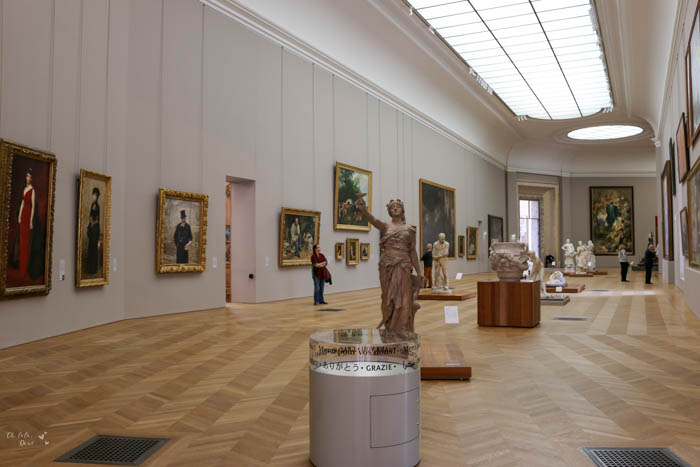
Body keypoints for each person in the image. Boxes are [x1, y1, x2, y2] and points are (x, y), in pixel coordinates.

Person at [356, 197, 423, 334]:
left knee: (404, 297)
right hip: (387, 265)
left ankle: (402, 328)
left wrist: (419, 272)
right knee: (387, 297)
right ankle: (389, 326)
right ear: (389, 211)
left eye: (398, 206)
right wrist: (363, 210)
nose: (395, 208)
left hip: (403, 265)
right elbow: (373, 220)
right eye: (392, 207)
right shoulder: (386, 226)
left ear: (402, 210)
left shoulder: (410, 230)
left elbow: (412, 251)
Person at [86, 187, 101, 275]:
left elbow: (97, 219)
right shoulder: (92, 205)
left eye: (96, 195)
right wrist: (90, 222)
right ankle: (89, 268)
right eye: (94, 194)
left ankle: (93, 268)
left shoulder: (97, 206)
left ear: (97, 196)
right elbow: (90, 216)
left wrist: (93, 223)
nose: (94, 196)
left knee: (93, 247)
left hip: (95, 229)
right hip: (92, 228)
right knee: (90, 247)